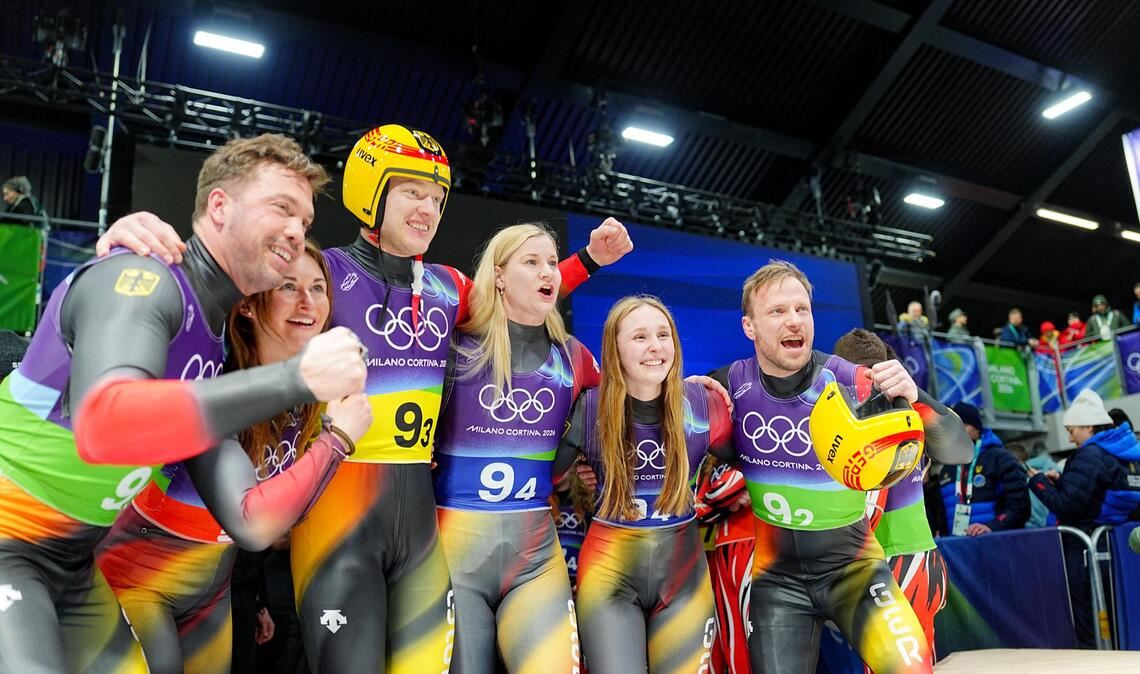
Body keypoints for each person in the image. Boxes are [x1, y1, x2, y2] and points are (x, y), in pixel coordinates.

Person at [98, 123, 633, 673]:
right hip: (339, 508)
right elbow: (226, 279)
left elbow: (520, 297)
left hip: (418, 517)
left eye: (438, 199)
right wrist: (141, 246)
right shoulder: (322, 272)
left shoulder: (450, 285)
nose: (428, 209)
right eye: (412, 193)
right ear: (370, 192)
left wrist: (587, 260)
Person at [0, 134, 366, 673]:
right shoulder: (145, 279)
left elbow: (252, 524)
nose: (296, 229)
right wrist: (298, 378)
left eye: (306, 221)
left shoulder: (211, 341)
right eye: (281, 208)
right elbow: (106, 426)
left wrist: (335, 436)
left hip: (74, 566)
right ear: (219, 207)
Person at [94, 240, 372, 674]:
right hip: (137, 580)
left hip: (214, 589)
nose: (308, 302)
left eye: (318, 288)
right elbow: (255, 523)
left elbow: (282, 519)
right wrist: (336, 442)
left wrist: (257, 596)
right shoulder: (221, 383)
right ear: (248, 305)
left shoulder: (310, 400)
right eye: (288, 287)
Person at [707, 260, 973, 674]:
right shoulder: (728, 387)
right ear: (750, 327)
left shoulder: (852, 381)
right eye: (777, 311)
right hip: (778, 586)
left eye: (802, 309)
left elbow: (959, 451)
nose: (794, 321)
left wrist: (915, 394)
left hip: (856, 573)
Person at [431, 223, 601, 673]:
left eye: (551, 262)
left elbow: (633, 405)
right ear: (499, 276)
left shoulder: (575, 358)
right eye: (532, 262)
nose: (548, 271)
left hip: (535, 558)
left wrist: (700, 389)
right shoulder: (457, 345)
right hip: (454, 557)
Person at [553, 295, 733, 674]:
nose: (655, 346)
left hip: (684, 576)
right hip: (609, 577)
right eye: (639, 337)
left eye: (663, 334)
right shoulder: (588, 409)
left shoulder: (703, 405)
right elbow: (537, 479)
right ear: (614, 350)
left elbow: (762, 465)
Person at [833, 328, 948, 667]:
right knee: (917, 660)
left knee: (893, 664)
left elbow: (870, 507)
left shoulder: (870, 422)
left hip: (895, 561)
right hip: (921, 555)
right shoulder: (909, 413)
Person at [1028, 389, 1140, 647]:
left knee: (1089, 625)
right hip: (1115, 548)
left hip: (1084, 550)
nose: (1069, 437)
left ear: (1088, 426)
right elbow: (1099, 494)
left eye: (1072, 430)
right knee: (1116, 622)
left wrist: (1038, 483)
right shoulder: (1124, 454)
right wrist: (1064, 481)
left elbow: (1068, 506)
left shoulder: (1090, 455)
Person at [694, 458, 752, 674]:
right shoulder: (710, 452)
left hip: (759, 546)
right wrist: (728, 503)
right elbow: (698, 504)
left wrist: (726, 497)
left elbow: (720, 491)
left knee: (756, 644)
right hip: (722, 550)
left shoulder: (761, 441)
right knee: (730, 646)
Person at [938, 402, 1030, 536]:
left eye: (963, 425)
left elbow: (1020, 506)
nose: (956, 431)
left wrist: (992, 526)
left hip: (994, 542)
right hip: (957, 548)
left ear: (977, 429)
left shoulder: (1000, 458)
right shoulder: (947, 466)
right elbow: (942, 514)